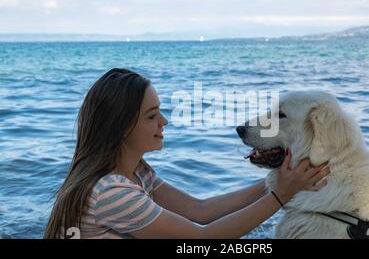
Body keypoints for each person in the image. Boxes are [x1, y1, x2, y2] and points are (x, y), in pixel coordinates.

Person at [44, 68, 329, 239]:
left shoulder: (136, 172)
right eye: (152, 116)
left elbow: (200, 211)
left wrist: (280, 181)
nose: (164, 122)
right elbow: (201, 238)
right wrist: (282, 196)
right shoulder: (111, 191)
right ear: (121, 128)